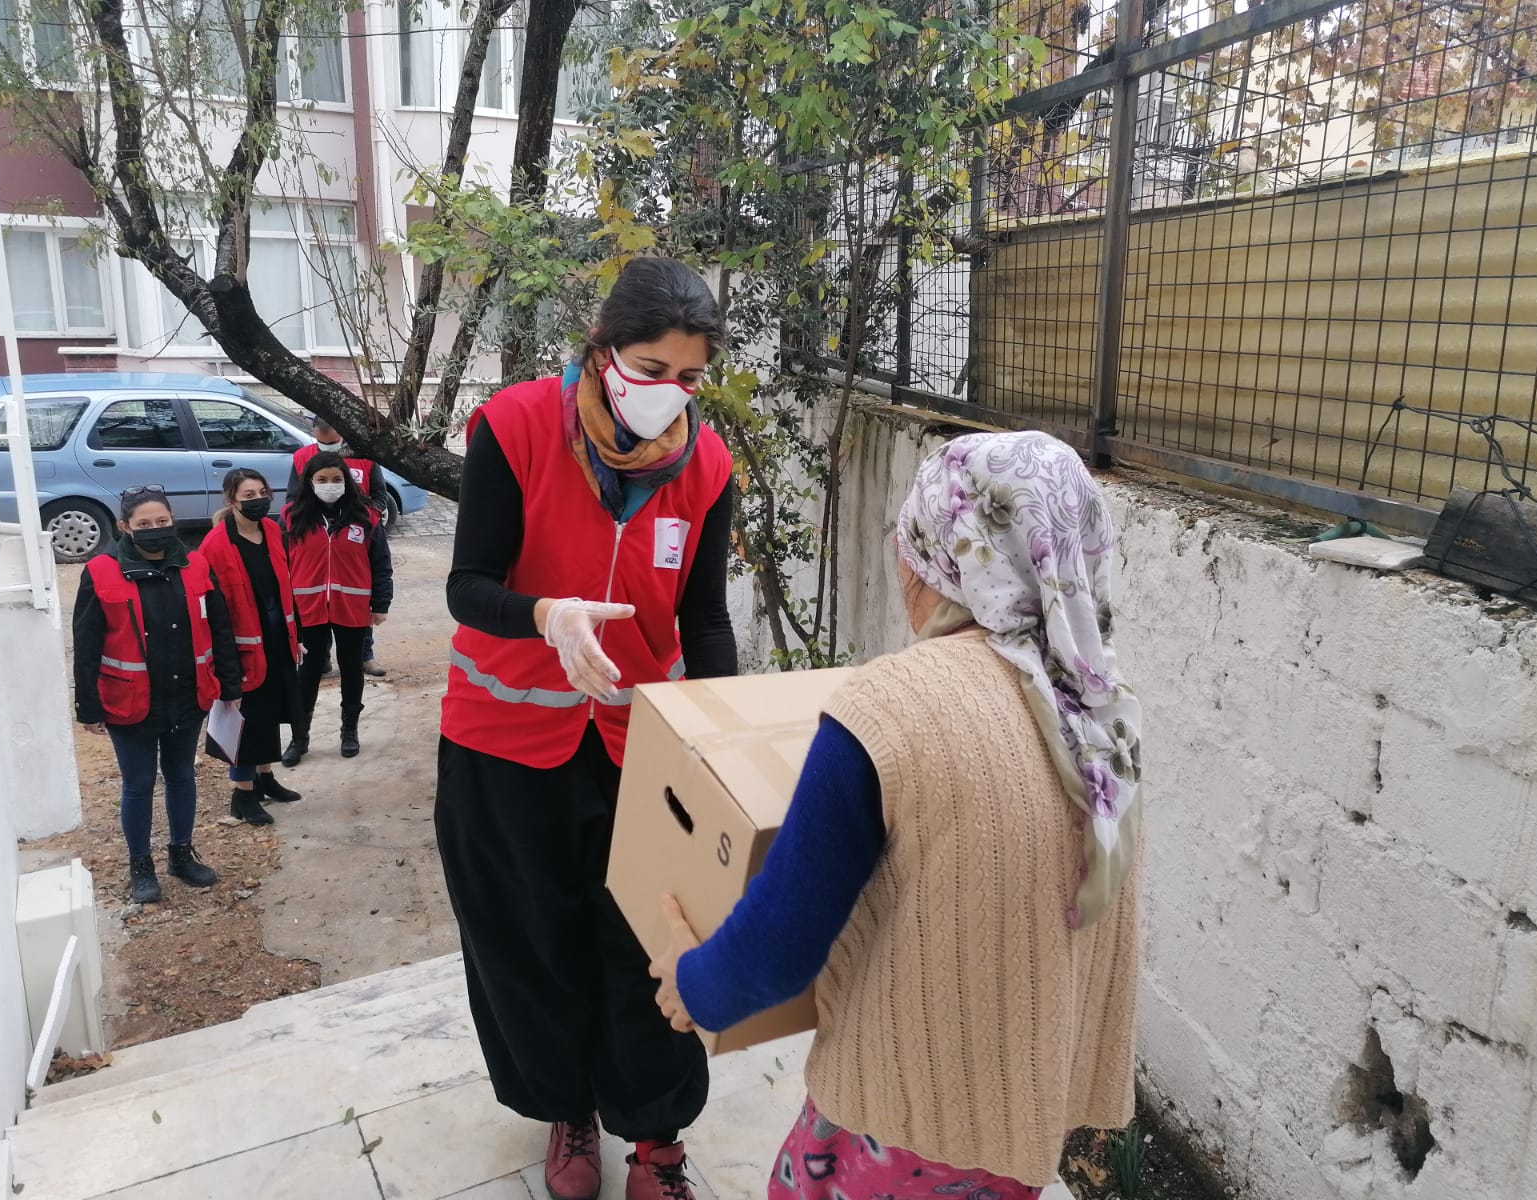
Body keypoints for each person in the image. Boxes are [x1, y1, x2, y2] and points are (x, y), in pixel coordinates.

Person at [650, 432, 1143, 1200]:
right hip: (1021, 1127)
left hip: (905, 1127)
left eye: (912, 537)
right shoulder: (1100, 709)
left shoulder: (893, 708)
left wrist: (693, 981)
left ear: (951, 552)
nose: (902, 561)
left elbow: (777, 951)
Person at [436, 258, 738, 1200]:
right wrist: (543, 617)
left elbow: (706, 620)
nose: (670, 395)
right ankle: (569, 1105)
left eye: (689, 378)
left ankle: (657, 1139)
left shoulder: (708, 464)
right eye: (651, 369)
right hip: (503, 745)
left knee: (653, 942)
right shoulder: (516, 427)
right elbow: (466, 584)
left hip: (639, 747)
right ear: (603, 353)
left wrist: (722, 731)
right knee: (529, 938)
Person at [73, 485, 245, 904]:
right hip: (129, 703)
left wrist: (230, 684)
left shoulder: (196, 565)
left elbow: (220, 629)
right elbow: (87, 642)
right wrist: (88, 706)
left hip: (188, 696)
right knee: (138, 784)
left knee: (182, 776)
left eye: (162, 522)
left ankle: (181, 855)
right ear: (124, 527)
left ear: (173, 521)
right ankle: (141, 865)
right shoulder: (100, 571)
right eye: (144, 524)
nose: (154, 529)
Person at [199, 468, 304, 825]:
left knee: (270, 712)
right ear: (231, 501)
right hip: (242, 648)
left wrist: (297, 636)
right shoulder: (215, 545)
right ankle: (242, 793)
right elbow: (213, 609)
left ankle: (265, 778)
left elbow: (285, 587)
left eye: (262, 492)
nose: (258, 500)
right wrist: (223, 661)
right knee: (246, 720)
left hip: (277, 638)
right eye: (248, 495)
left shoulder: (273, 531)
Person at [281, 453, 392, 764]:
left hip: (352, 608)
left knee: (352, 669)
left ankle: (349, 732)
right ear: (309, 482)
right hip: (308, 608)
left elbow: (381, 563)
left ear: (347, 481)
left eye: (336, 479)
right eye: (322, 480)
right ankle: (299, 738)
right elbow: (281, 564)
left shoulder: (366, 516)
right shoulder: (292, 517)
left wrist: (381, 603)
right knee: (309, 672)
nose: (329, 485)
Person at [287, 415, 391, 678]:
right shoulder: (302, 457)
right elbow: (292, 497)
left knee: (357, 601)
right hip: (317, 534)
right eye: (321, 431)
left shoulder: (364, 456)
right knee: (319, 607)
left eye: (331, 430)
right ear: (314, 431)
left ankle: (364, 656)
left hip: (355, 535)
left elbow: (380, 496)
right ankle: (319, 660)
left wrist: (366, 518)